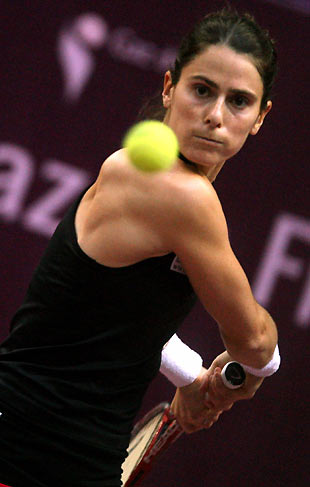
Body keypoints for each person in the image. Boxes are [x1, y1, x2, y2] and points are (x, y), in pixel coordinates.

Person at [0, 8, 280, 487]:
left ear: (260, 117)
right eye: (202, 90)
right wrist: (257, 367)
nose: (215, 115)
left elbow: (103, 312)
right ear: (170, 87)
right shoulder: (181, 194)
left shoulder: (142, 176)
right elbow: (253, 340)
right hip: (31, 455)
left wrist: (193, 379)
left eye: (238, 101)